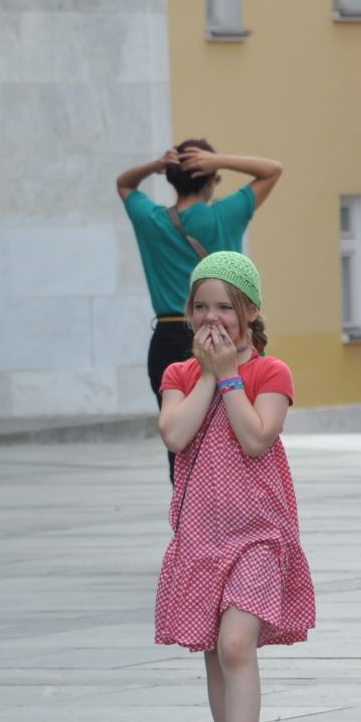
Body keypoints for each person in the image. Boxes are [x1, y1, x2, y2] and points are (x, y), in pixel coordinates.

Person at [154, 252, 314, 722]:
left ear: (249, 311)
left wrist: (229, 379)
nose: (211, 318)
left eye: (224, 306)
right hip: (201, 536)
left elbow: (256, 438)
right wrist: (207, 376)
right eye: (200, 307)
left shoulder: (271, 373)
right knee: (212, 654)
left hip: (259, 534)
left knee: (235, 644)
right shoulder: (178, 375)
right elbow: (175, 434)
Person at [116, 141, 283, 477]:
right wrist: (217, 160)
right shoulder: (225, 214)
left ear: (171, 179)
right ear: (210, 178)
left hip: (168, 335)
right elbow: (272, 170)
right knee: (237, 420)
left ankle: (187, 509)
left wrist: (154, 166)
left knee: (179, 432)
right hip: (229, 333)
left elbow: (124, 184)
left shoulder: (152, 219)